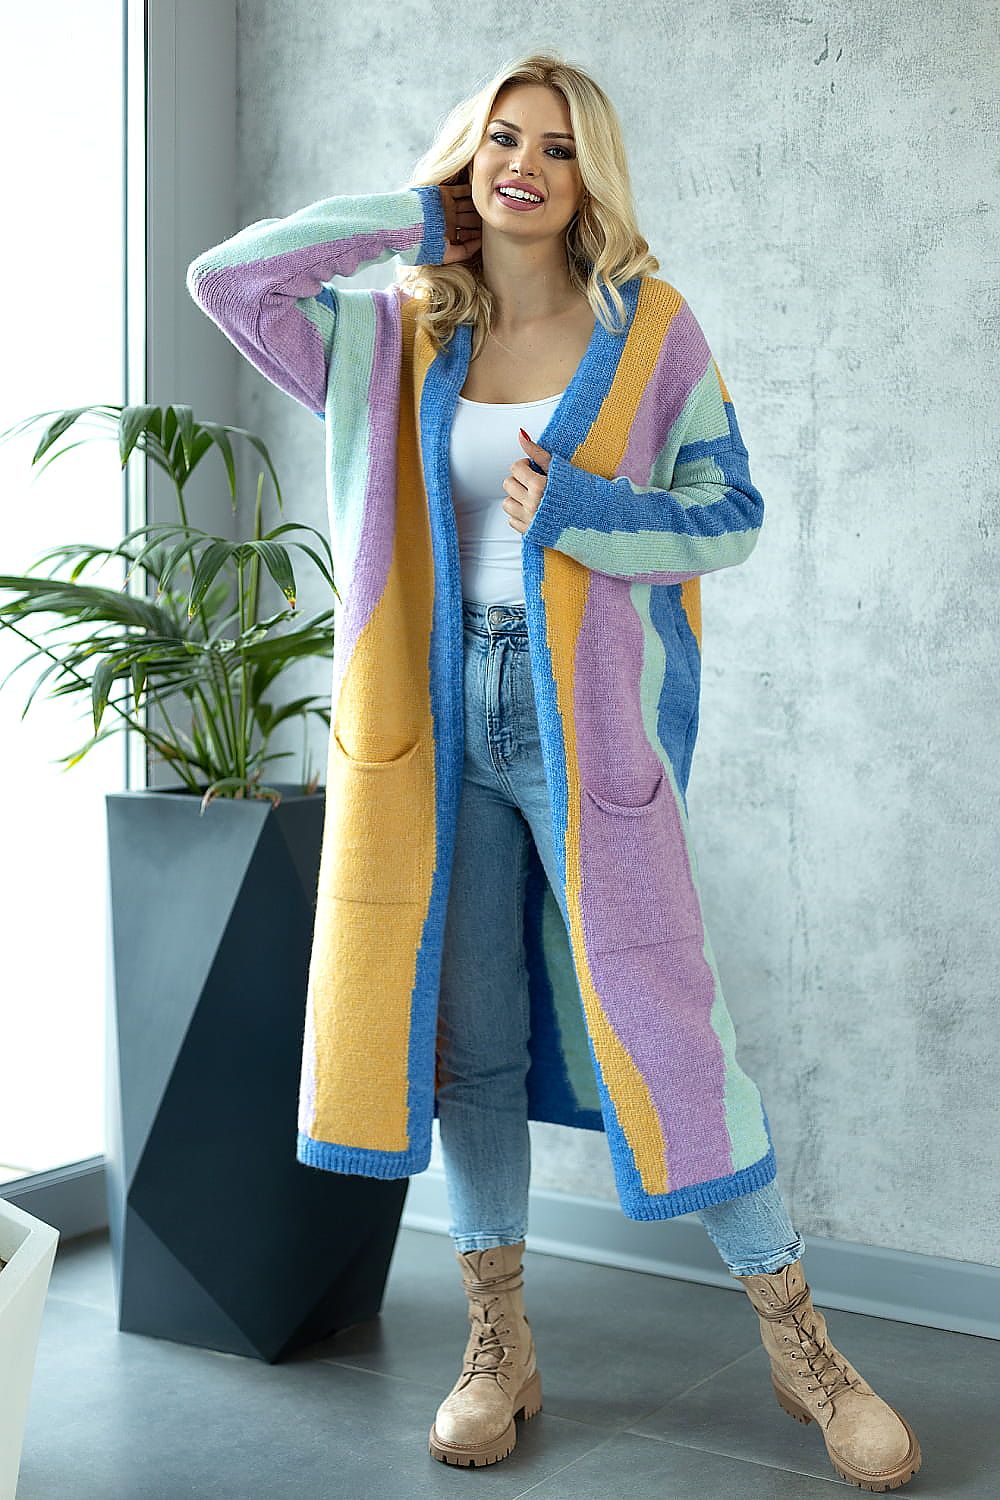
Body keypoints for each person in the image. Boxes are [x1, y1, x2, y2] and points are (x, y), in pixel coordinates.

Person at [186, 49, 921, 1493]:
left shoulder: (653, 338)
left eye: (559, 146)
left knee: (667, 1019)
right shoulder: (392, 334)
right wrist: (411, 221)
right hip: (426, 725)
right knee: (470, 1035)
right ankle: (498, 1342)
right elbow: (231, 283)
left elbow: (731, 516)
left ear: (593, 178)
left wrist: (580, 509)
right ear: (468, 156)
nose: (528, 162)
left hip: (585, 729)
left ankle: (800, 1344)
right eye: (502, 138)